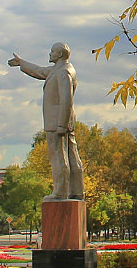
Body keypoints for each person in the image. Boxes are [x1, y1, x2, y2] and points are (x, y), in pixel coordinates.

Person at [8, 42, 85, 200]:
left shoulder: (63, 72)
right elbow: (39, 71)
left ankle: (60, 192)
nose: (50, 54)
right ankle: (76, 191)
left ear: (60, 55)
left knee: (59, 155)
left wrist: (61, 124)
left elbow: (66, 99)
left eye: (52, 51)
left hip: (58, 121)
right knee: (71, 155)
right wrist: (22, 62)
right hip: (62, 120)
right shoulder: (59, 69)